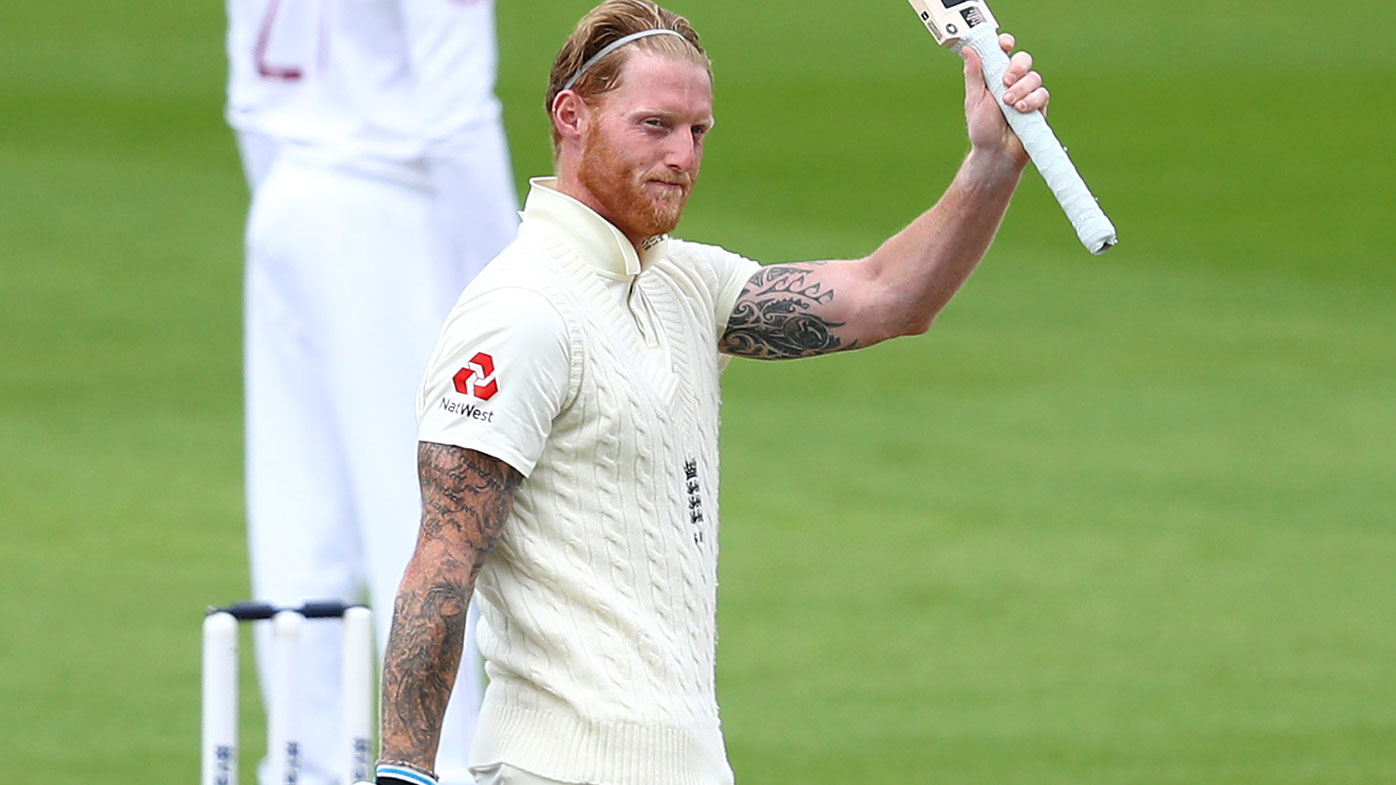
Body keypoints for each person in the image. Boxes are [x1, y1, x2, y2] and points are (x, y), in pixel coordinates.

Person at [368, 1, 1051, 784]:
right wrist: (406, 772)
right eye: (654, 125)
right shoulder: (518, 312)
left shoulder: (686, 282)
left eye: (698, 132)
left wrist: (991, 164)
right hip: (556, 768)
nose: (681, 156)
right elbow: (442, 561)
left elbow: (889, 296)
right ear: (571, 117)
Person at [223, 1, 520, 784]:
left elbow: (248, 98)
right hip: (393, 211)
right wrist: (517, 290)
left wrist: (292, 198)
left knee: (299, 511)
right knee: (433, 511)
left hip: (287, 194)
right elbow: (453, 113)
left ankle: (305, 761)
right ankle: (446, 764)